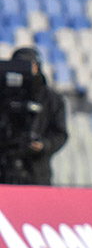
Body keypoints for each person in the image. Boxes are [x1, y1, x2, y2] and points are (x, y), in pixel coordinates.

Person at [0, 47, 68, 185]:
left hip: (36, 171)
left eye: (26, 66)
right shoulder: (3, 95)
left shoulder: (51, 99)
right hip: (4, 167)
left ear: (37, 66)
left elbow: (60, 133)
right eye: (17, 66)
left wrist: (44, 145)